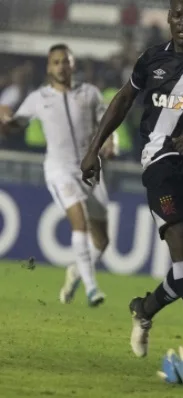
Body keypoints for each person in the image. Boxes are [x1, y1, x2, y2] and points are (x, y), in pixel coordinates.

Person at [80, 0, 183, 371]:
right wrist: (94, 149)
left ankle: (145, 308)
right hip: (161, 161)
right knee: (181, 249)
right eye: (177, 15)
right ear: (168, 18)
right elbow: (122, 100)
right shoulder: (150, 59)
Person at [0, 44, 116, 307]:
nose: (61, 66)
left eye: (65, 61)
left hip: (90, 170)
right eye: (56, 62)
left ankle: (75, 271)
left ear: (72, 65)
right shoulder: (38, 98)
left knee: (102, 241)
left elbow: (108, 123)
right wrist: (5, 121)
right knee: (79, 222)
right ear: (49, 67)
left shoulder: (89, 93)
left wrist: (111, 143)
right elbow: (16, 125)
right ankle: (91, 288)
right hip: (58, 169)